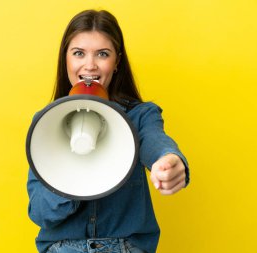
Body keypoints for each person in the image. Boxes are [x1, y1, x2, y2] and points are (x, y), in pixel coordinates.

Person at [27, 9, 190, 253]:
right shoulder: (45, 124)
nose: (90, 65)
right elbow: (40, 212)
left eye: (102, 54)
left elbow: (154, 141)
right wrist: (70, 174)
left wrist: (168, 160)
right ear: (66, 59)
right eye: (79, 53)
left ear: (116, 63)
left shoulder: (140, 115)